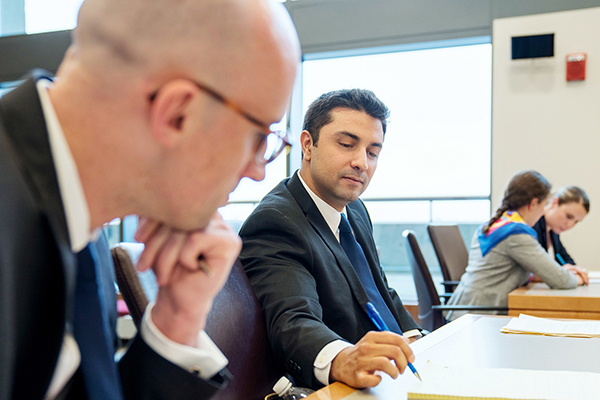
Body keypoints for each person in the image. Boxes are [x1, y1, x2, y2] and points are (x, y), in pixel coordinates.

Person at [0, 0, 300, 399]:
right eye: (260, 137)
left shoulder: (80, 212)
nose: (257, 170)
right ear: (177, 113)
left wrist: (178, 320)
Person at [239, 89, 422, 391]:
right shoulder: (276, 222)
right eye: (347, 144)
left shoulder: (356, 210)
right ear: (308, 145)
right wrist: (343, 359)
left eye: (373, 152)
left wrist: (416, 339)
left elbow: (379, 291)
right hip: (343, 388)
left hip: (393, 377)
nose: (362, 162)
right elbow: (293, 321)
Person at [446, 171, 588, 321]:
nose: (542, 213)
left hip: (465, 311)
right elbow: (562, 281)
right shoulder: (516, 234)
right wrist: (579, 278)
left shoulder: (500, 224)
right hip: (479, 316)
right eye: (543, 205)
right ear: (533, 204)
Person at [533, 186, 590, 266]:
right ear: (554, 202)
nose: (570, 225)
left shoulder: (553, 232)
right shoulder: (532, 225)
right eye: (568, 216)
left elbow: (567, 261)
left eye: (576, 222)